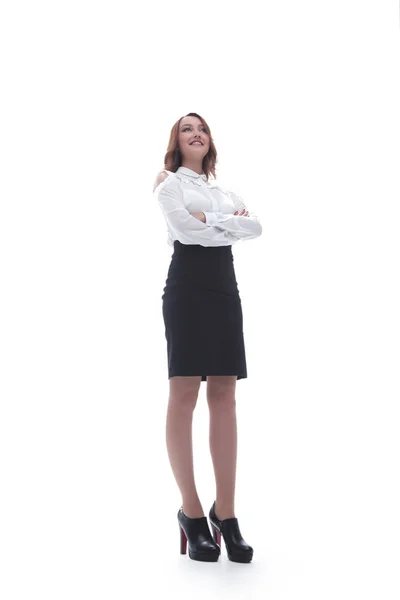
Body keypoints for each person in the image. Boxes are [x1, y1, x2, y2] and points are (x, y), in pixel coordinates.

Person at [153, 112, 262, 563]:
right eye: (186, 129)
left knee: (225, 397)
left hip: (224, 292)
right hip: (186, 290)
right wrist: (225, 224)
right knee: (184, 395)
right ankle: (192, 514)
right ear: (176, 142)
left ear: (210, 142)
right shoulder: (169, 184)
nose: (196, 133)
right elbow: (185, 232)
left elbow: (255, 226)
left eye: (202, 129)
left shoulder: (225, 191)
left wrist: (211, 218)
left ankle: (228, 514)